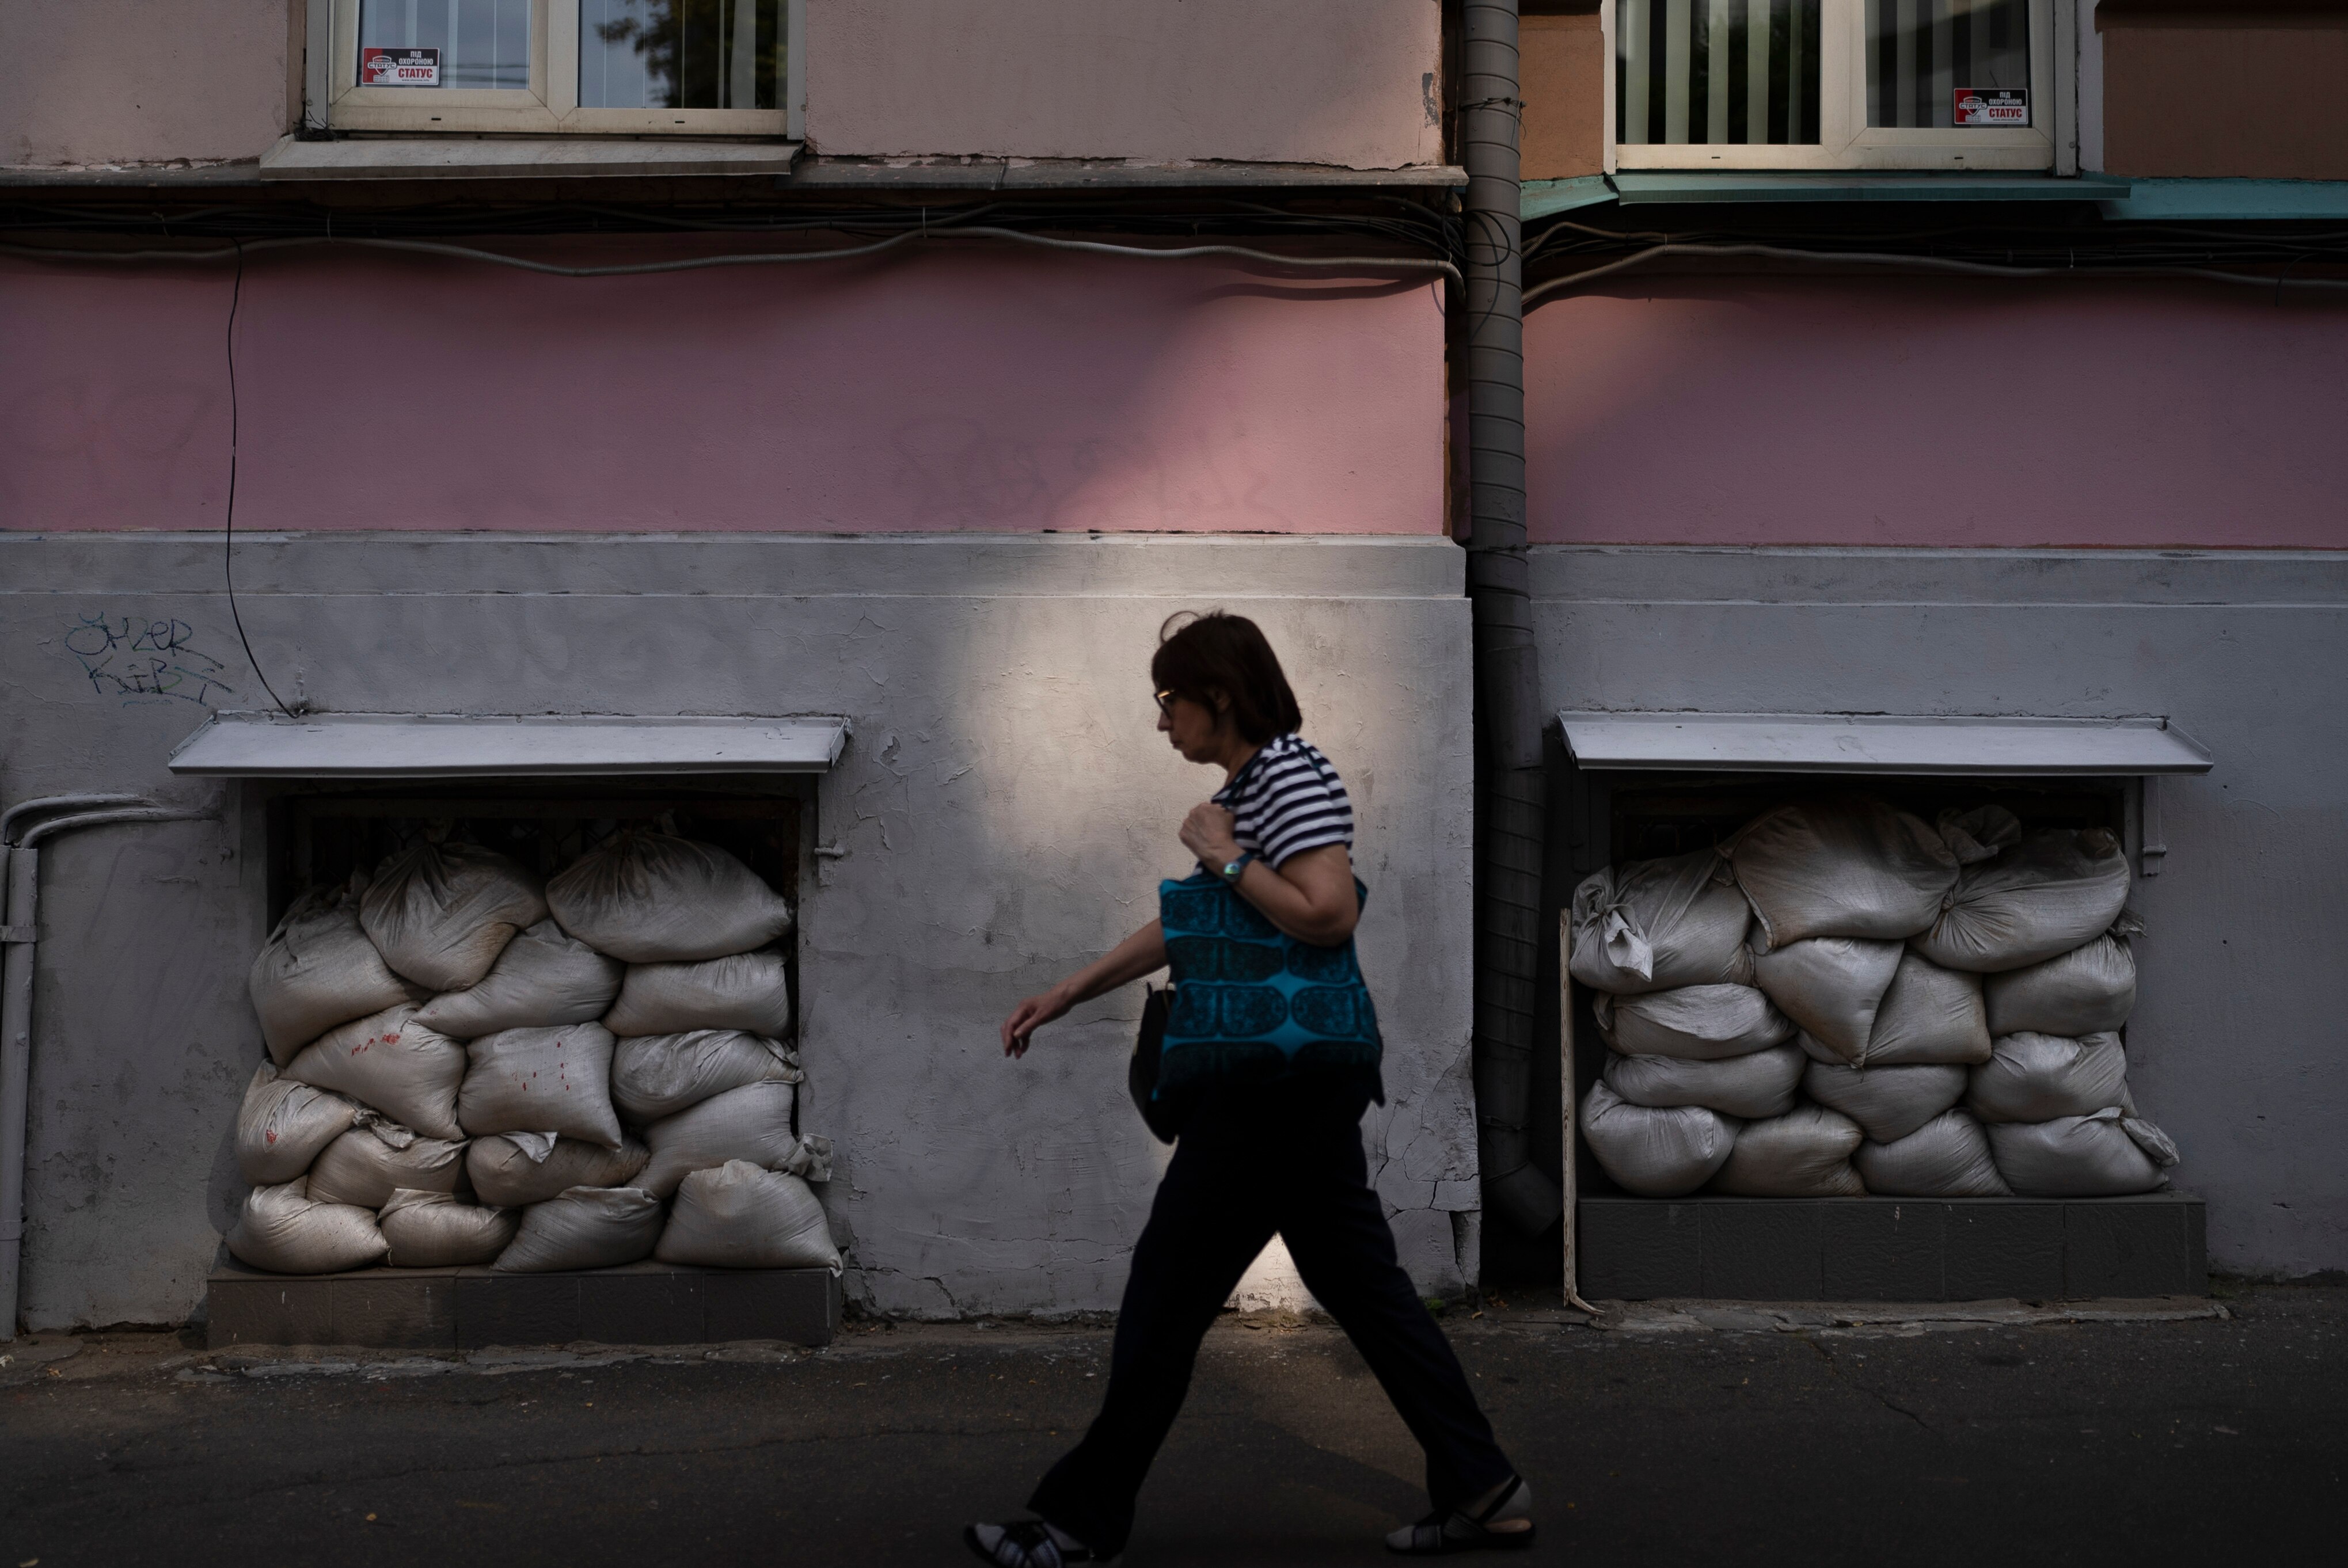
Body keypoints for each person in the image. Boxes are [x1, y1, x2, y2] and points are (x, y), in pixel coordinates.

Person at [966, 612, 1533, 1566]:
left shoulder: (1289, 775)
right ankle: (1484, 1486)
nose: (1161, 723)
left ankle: (1077, 1524)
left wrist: (1222, 851)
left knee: (1166, 1294)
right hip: (1297, 1082)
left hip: (1271, 1086)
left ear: (1217, 696)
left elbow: (1325, 912)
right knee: (1366, 1290)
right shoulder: (1251, 788)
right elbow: (1193, 928)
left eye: (1168, 700)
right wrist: (1068, 990)